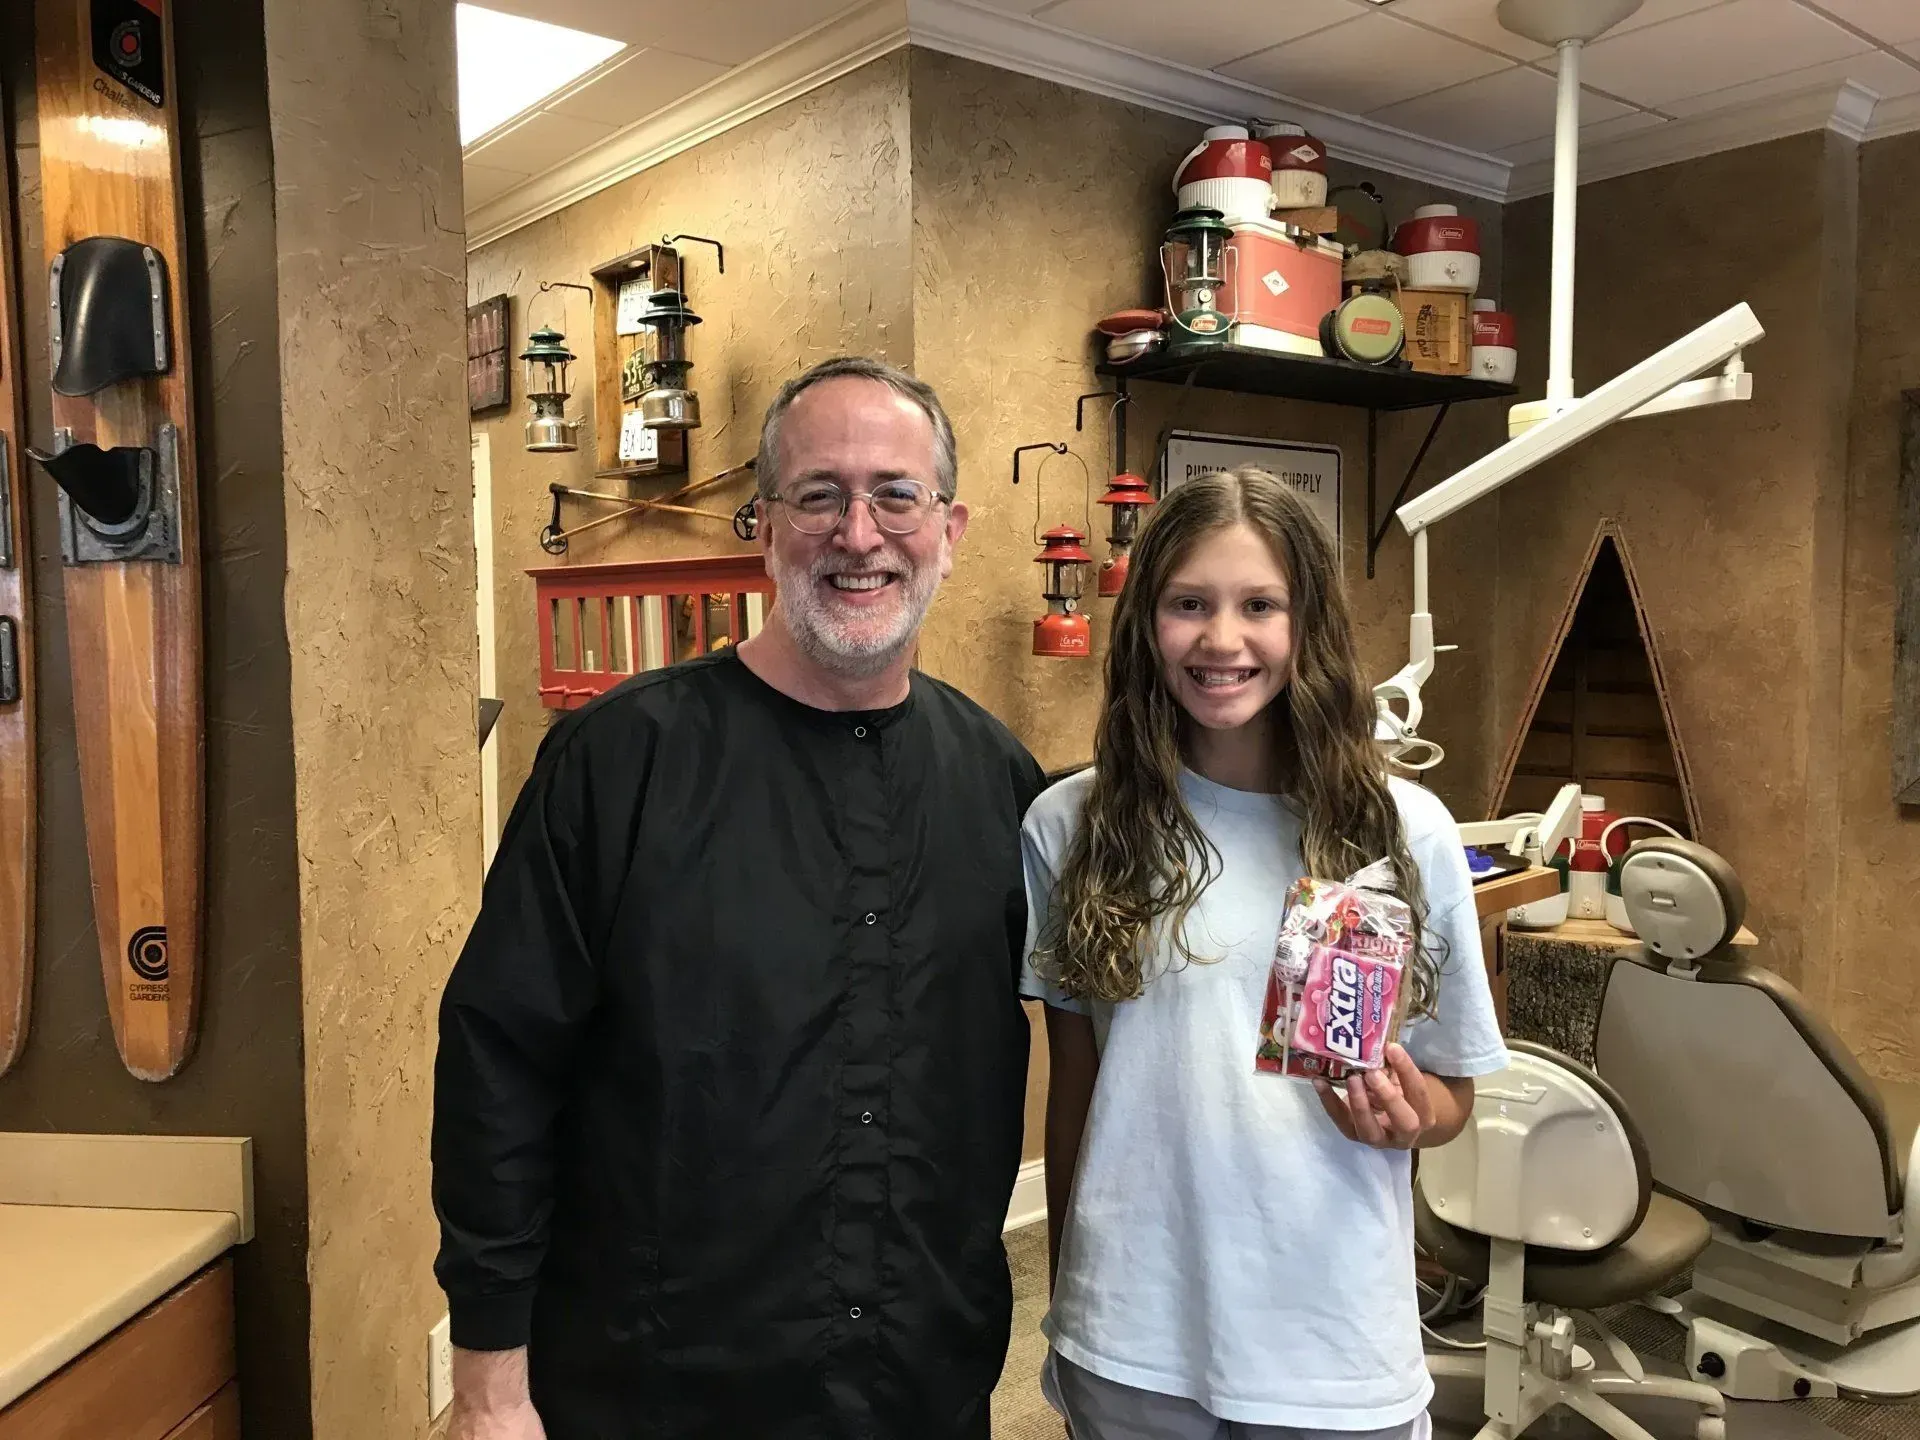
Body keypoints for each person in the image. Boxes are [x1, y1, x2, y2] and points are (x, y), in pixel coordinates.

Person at [432, 355, 1048, 1440]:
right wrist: (489, 1379)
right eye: (819, 495)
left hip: (920, 1384)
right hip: (654, 1389)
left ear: (950, 530)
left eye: (895, 495)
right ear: (762, 525)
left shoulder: (1004, 785)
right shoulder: (615, 764)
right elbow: (498, 1070)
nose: (859, 535)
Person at [1021, 467, 1506, 1440]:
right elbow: (1077, 1086)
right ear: (1145, 622)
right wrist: (1077, 1299)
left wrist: (1416, 1118)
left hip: (1330, 1342)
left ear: (1308, 626)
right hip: (1132, 1336)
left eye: (1260, 605)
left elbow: (1453, 1093)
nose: (1222, 639)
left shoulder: (1397, 833)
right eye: (1188, 604)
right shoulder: (1069, 826)